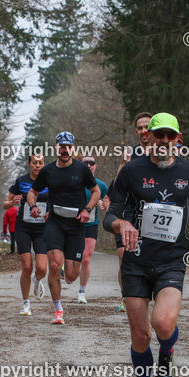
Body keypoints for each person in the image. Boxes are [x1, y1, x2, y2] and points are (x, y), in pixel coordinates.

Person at [104, 113, 189, 377]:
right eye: (158, 135)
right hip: (136, 262)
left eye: (170, 136)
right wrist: (122, 223)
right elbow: (109, 216)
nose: (164, 141)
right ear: (147, 137)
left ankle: (167, 354)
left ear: (178, 139)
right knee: (140, 336)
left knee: (163, 324)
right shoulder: (130, 171)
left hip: (171, 260)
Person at [26, 132, 101, 324]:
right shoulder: (48, 171)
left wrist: (87, 209)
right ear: (56, 148)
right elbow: (32, 192)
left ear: (72, 148)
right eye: (61, 146)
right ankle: (58, 310)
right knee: (53, 264)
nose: (65, 150)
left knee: (70, 275)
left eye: (68, 146)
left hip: (76, 225)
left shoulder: (82, 169)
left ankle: (63, 277)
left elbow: (96, 191)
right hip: (55, 222)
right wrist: (33, 207)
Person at [114, 112, 154, 312]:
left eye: (147, 126)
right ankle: (125, 297)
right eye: (140, 128)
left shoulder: (164, 153)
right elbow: (116, 188)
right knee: (124, 256)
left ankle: (150, 294)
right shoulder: (130, 154)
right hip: (129, 213)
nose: (144, 131)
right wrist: (123, 164)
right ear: (136, 131)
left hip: (153, 214)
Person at [4, 154, 49, 316]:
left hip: (42, 229)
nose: (38, 165)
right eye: (34, 163)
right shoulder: (21, 181)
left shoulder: (50, 181)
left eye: (41, 163)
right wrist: (12, 202)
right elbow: (5, 203)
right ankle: (26, 303)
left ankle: (37, 281)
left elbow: (58, 201)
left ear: (44, 164)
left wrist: (51, 212)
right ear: (29, 164)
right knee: (27, 266)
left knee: (42, 268)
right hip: (23, 228)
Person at [77, 156, 108, 303]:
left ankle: (81, 292)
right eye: (85, 163)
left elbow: (110, 200)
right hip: (74, 224)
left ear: (96, 166)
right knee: (74, 258)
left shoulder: (101, 185)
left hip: (91, 224)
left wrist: (103, 203)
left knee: (86, 258)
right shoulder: (75, 182)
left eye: (92, 163)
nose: (89, 165)